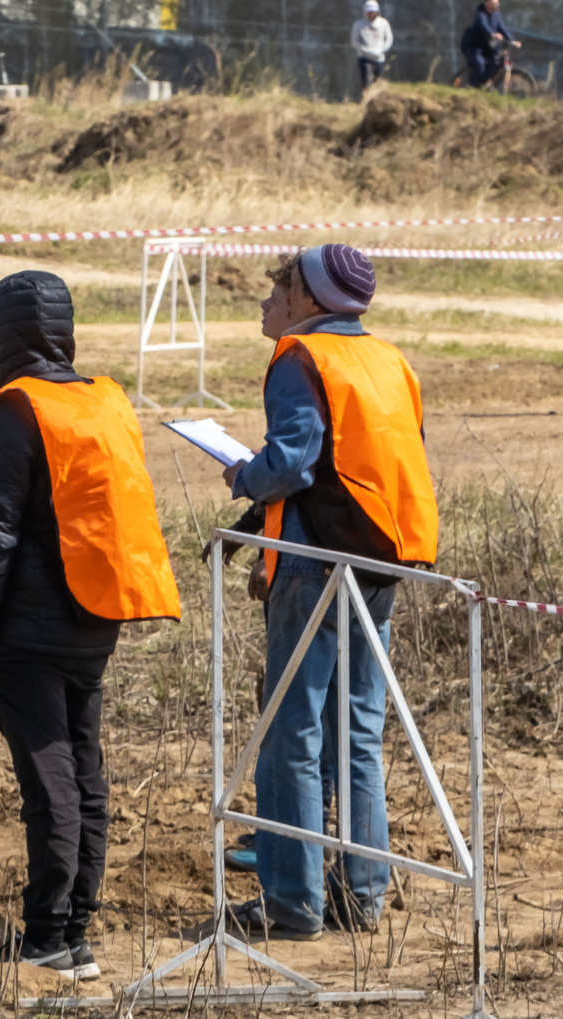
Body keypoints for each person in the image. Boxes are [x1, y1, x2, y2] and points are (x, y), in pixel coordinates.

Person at [0, 270, 181, 980]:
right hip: (97, 618)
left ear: (2, 339)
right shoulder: (104, 401)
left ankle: (50, 935)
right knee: (84, 772)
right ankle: (74, 931)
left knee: (49, 780)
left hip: (25, 632)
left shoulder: (14, 409)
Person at [220, 245, 437, 943]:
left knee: (294, 733)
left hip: (319, 564)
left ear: (308, 298)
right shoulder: (388, 359)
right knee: (358, 731)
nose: (268, 300)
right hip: (383, 555)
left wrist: (243, 477)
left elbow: (294, 459)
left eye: (278, 286)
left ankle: (292, 903)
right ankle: (363, 895)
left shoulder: (299, 356)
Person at [457, 0, 518, 90]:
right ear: (487, 3)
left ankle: (486, 85)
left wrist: (512, 40)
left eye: (497, 3)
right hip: (474, 47)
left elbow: (502, 28)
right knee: (480, 65)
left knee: (495, 63)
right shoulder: (480, 15)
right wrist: (493, 34)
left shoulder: (497, 16)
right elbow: (484, 26)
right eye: (493, 3)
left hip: (488, 48)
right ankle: (476, 88)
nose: (496, 5)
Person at [351, 0, 390, 97]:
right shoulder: (359, 24)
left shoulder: (383, 23)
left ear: (377, 11)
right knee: (367, 79)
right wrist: (364, 50)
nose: (372, 14)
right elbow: (354, 41)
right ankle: (365, 98)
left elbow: (389, 38)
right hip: (364, 57)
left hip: (379, 58)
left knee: (379, 80)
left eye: (374, 11)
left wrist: (383, 49)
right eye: (369, 12)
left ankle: (378, 99)